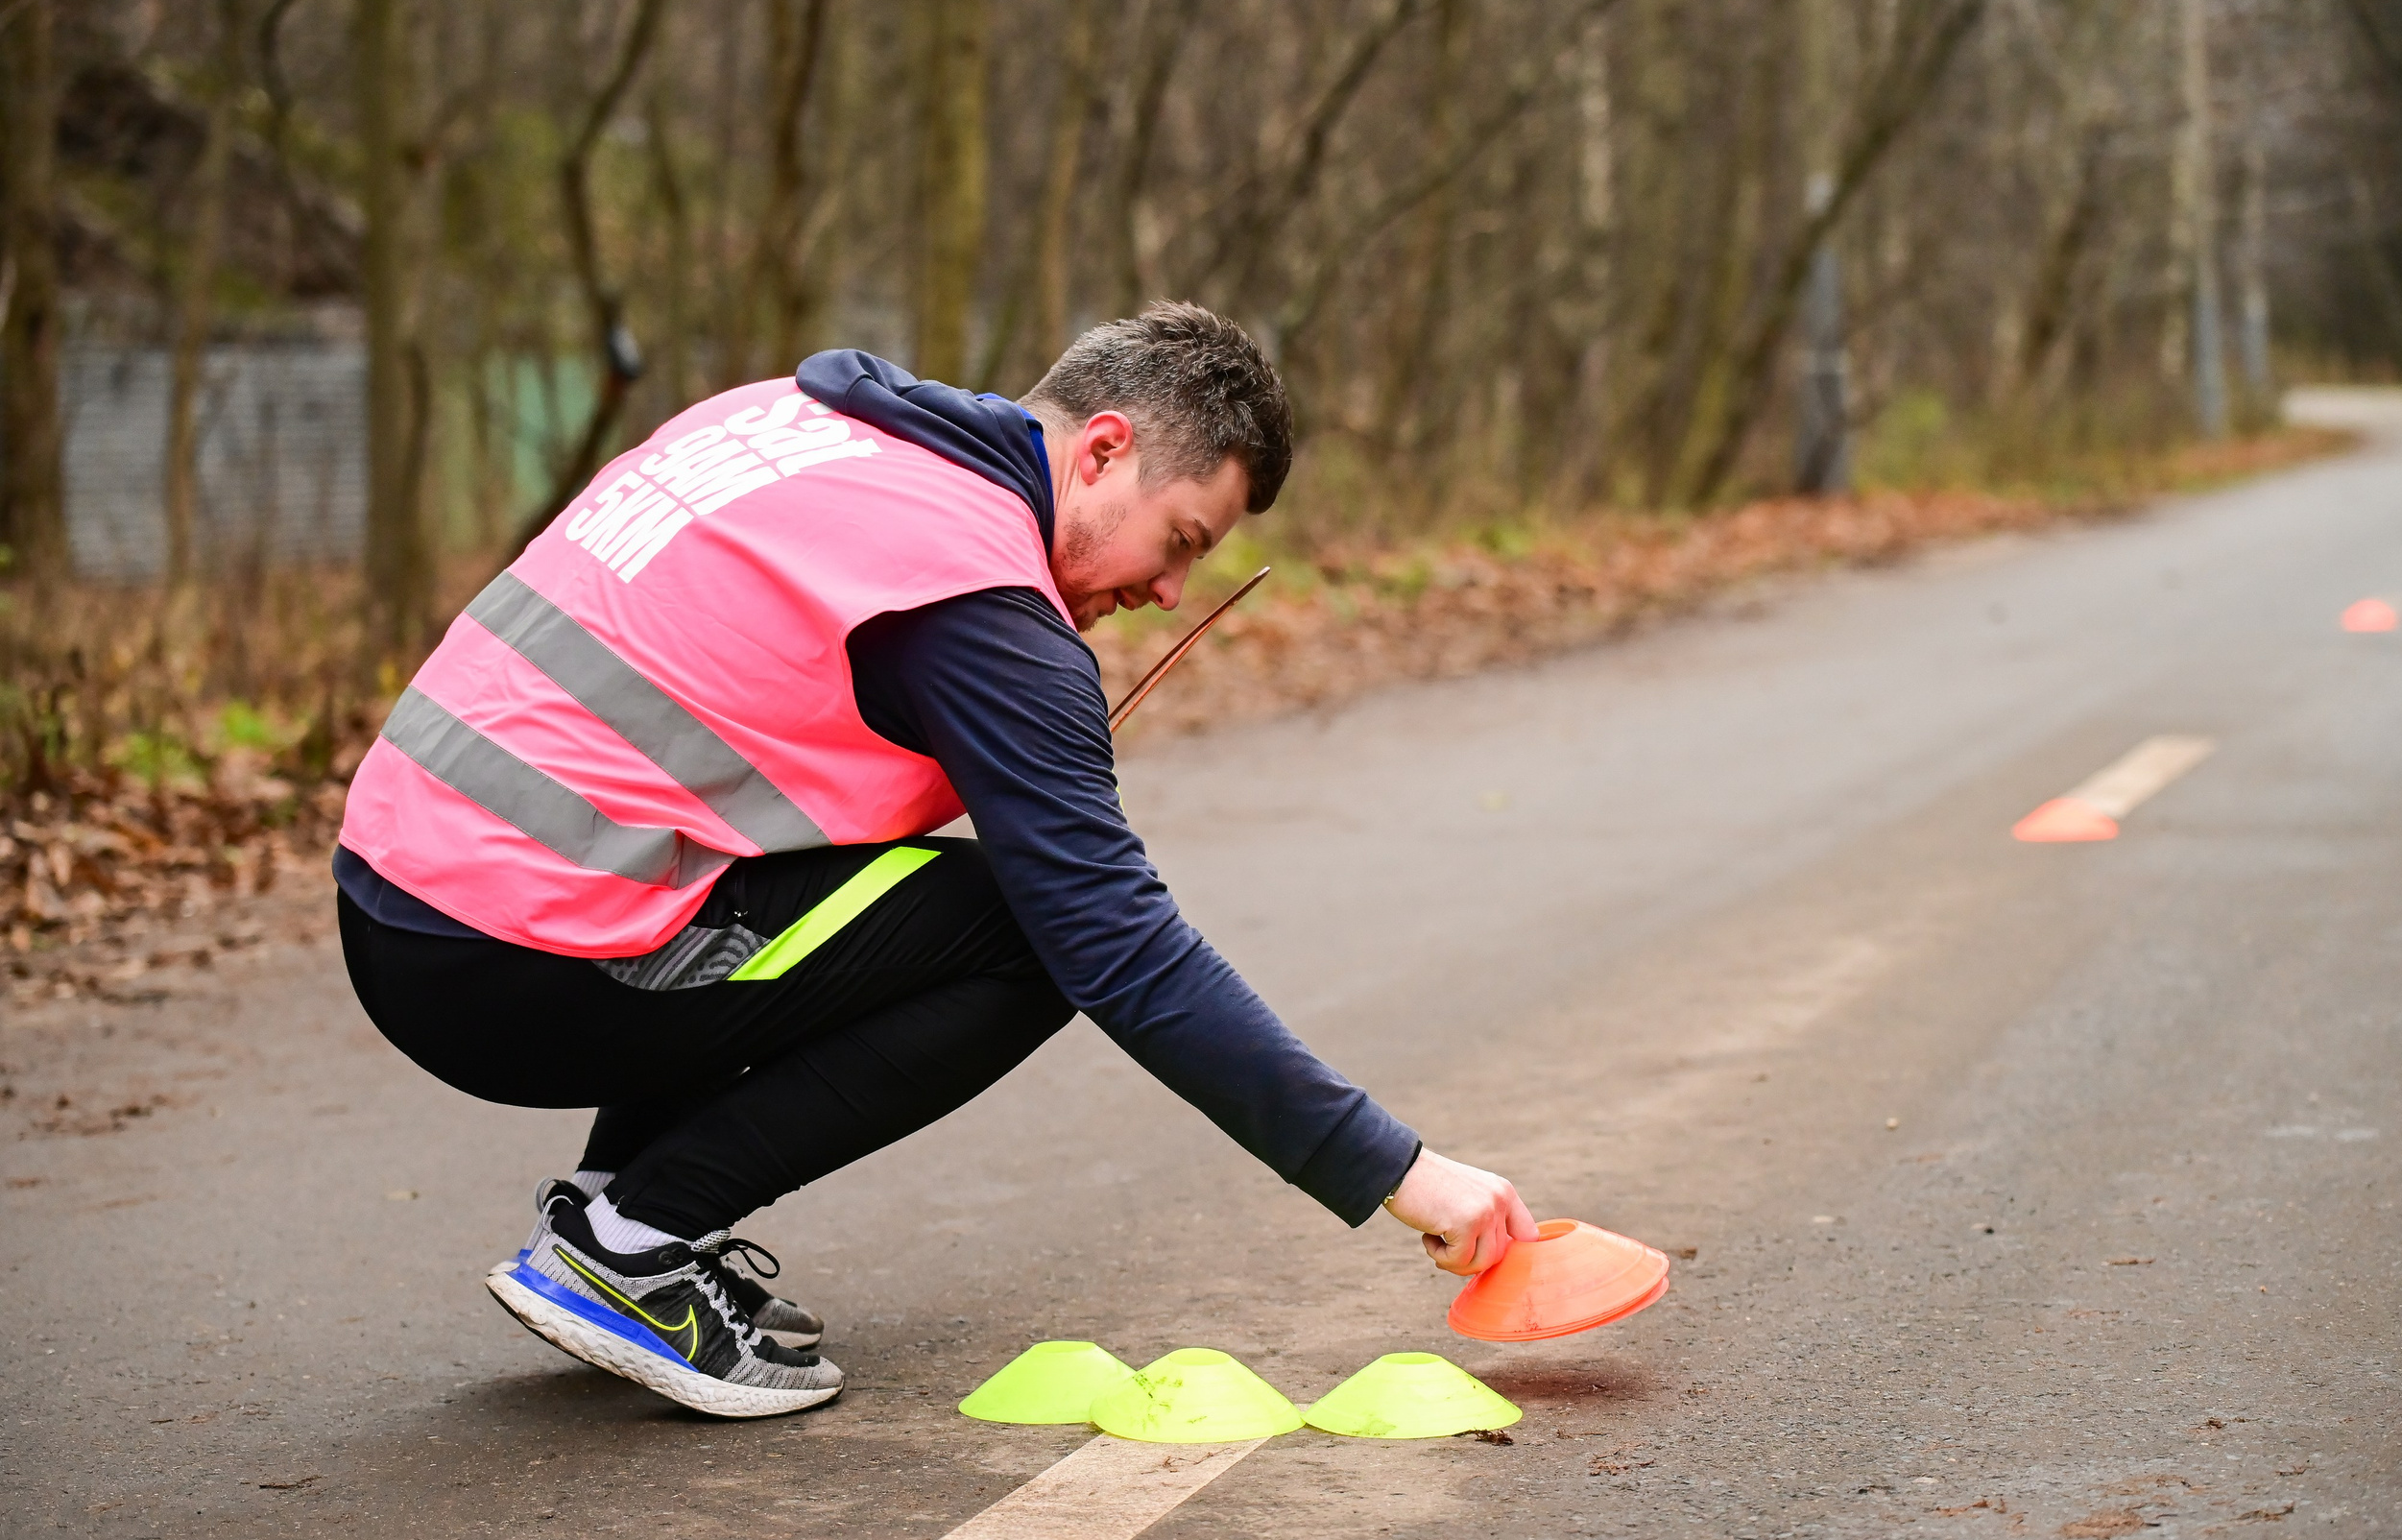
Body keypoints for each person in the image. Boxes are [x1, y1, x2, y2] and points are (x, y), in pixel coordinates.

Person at [334, 302, 1535, 1419]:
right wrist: (1400, 1172)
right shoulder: (979, 605)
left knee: (877, 875)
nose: (1171, 591)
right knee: (1029, 931)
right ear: (1103, 449)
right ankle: (637, 1243)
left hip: (404, 890)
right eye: (1180, 540)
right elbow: (1120, 949)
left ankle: (609, 1205)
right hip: (510, 957)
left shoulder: (802, 424)